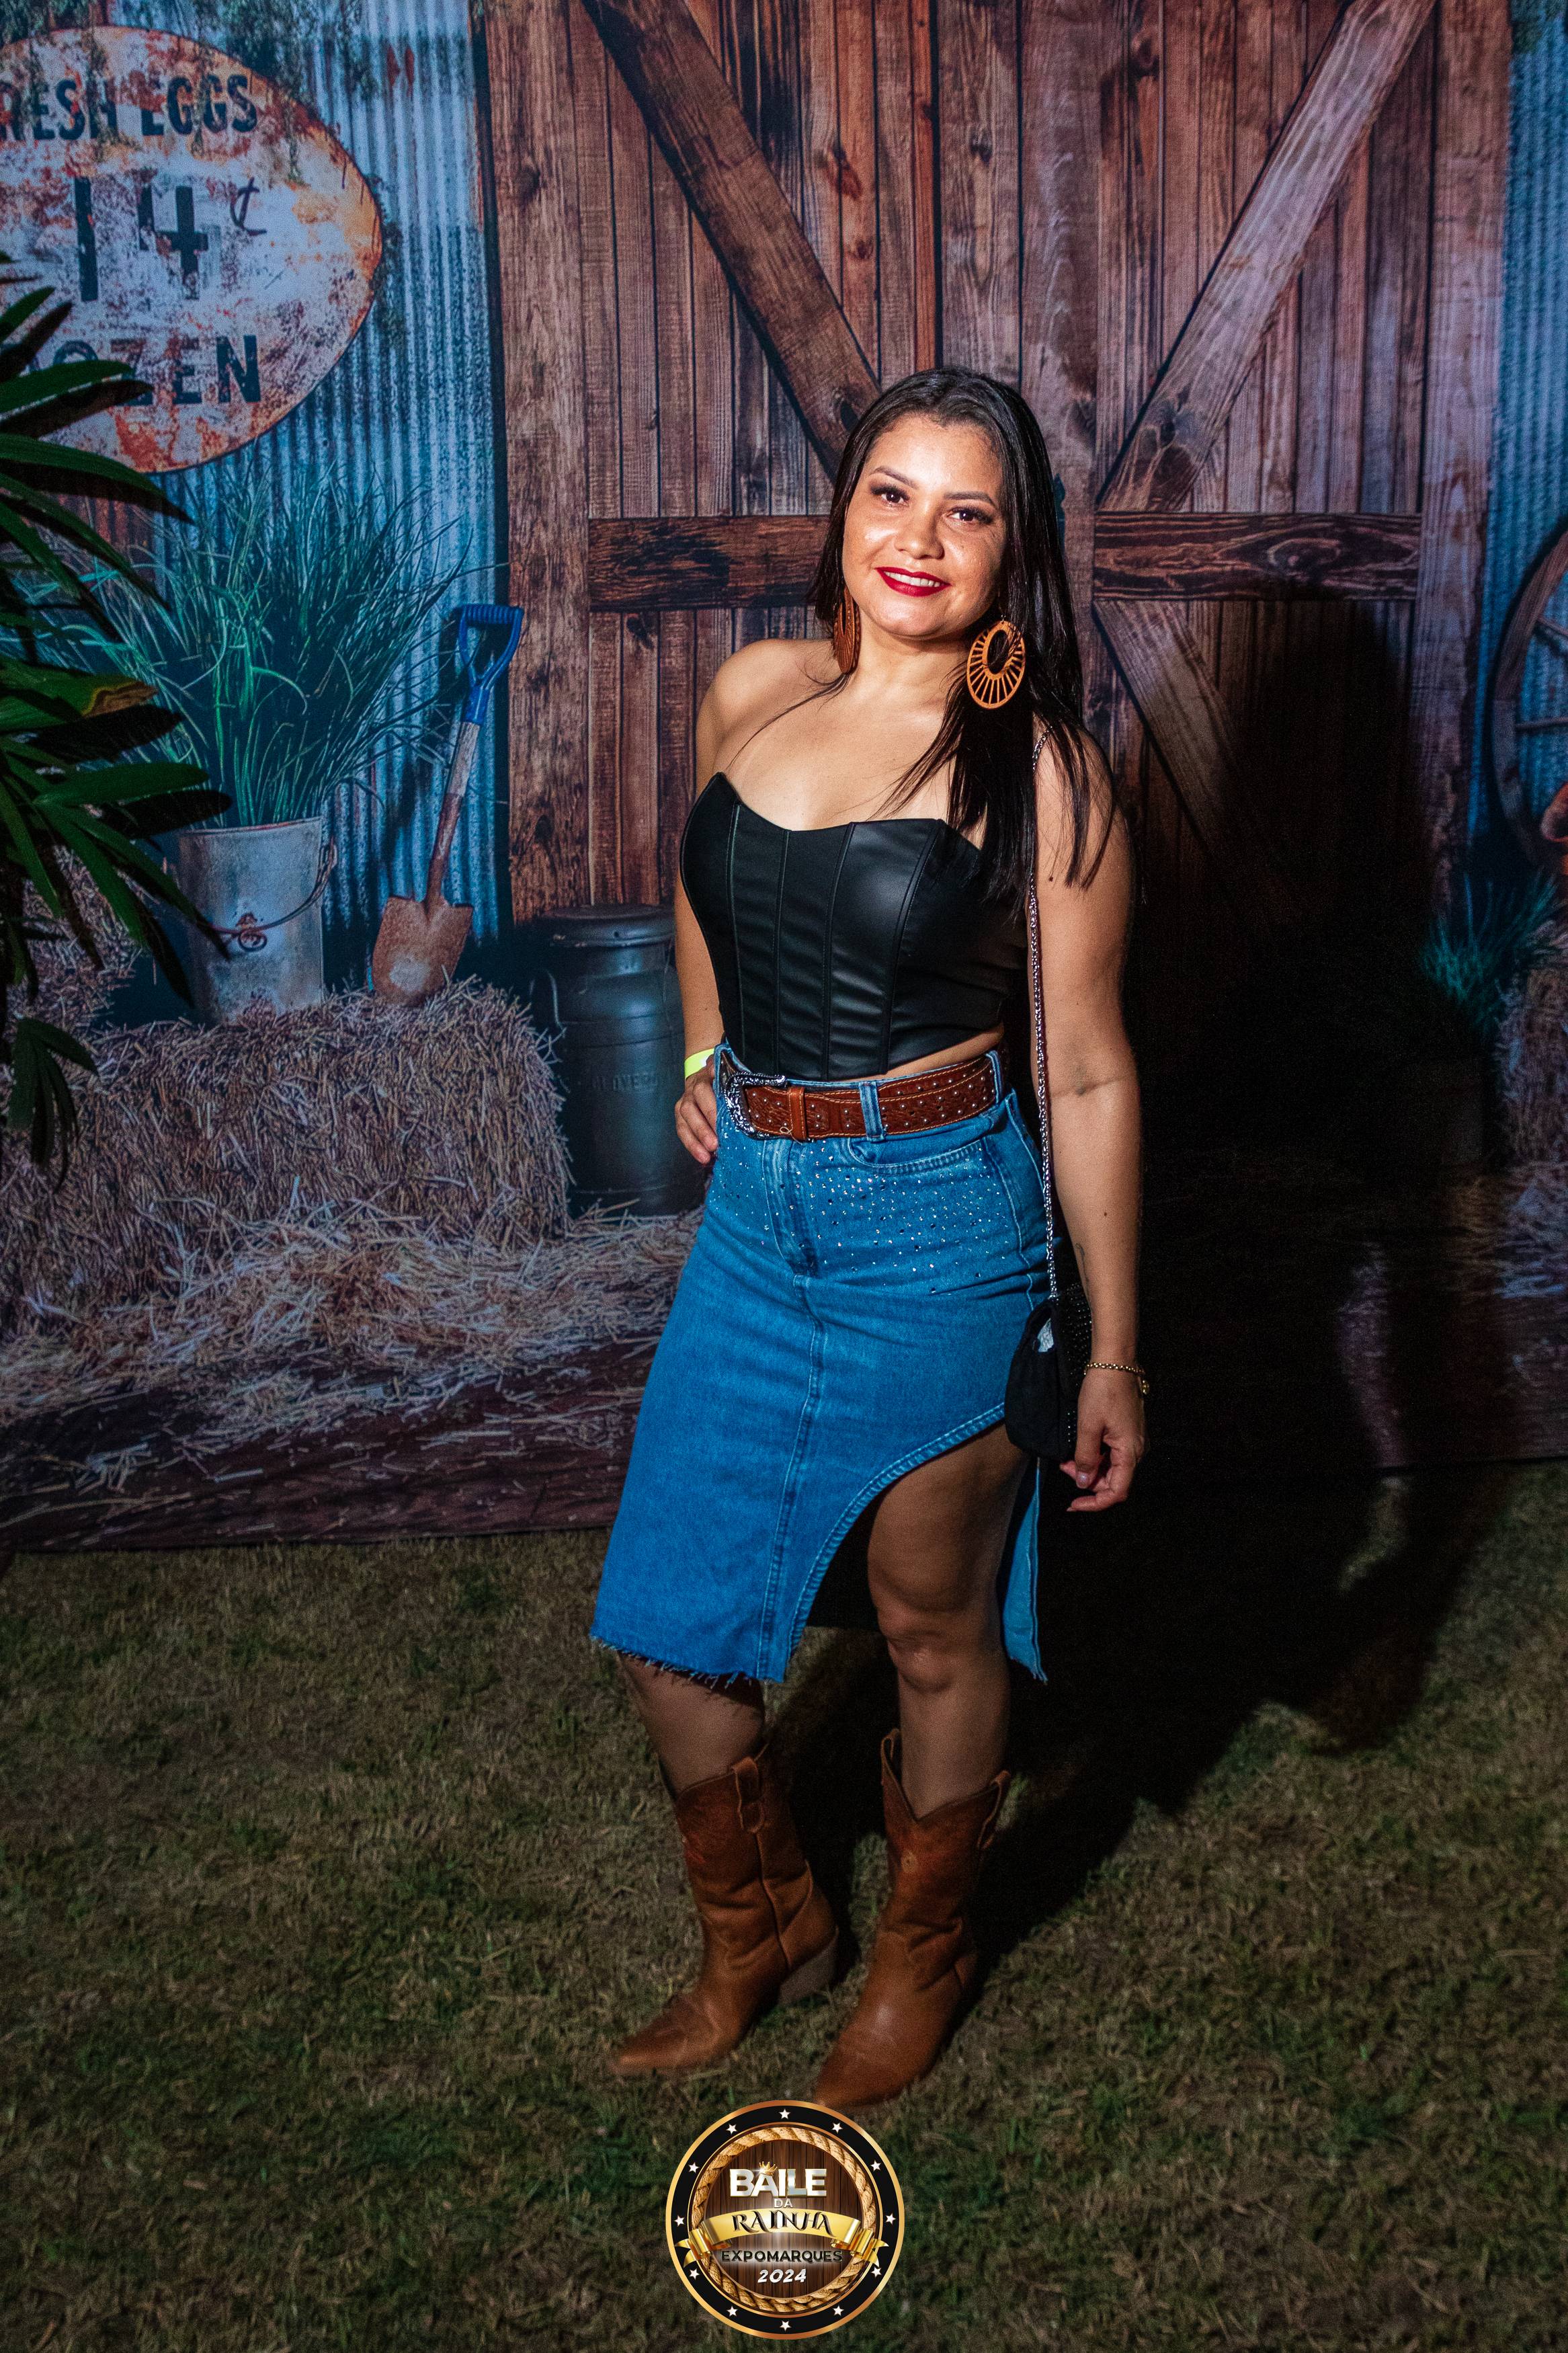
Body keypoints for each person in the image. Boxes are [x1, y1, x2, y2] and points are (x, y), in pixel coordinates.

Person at [590, 367, 1145, 2111]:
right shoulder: (757, 690)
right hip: (761, 1219)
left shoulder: (1043, 776)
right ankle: (764, 1929)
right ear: (844, 511)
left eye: (968, 511)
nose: (920, 538)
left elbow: (1090, 1071)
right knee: (670, 1624)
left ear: (1013, 550)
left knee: (929, 1627)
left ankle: (923, 1949)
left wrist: (1116, 1347)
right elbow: (706, 883)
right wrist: (708, 1053)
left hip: (942, 1227)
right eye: (891, 494)